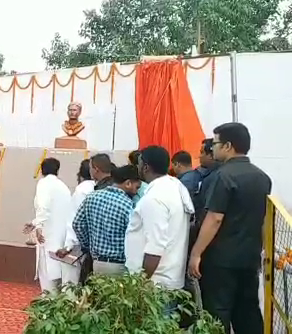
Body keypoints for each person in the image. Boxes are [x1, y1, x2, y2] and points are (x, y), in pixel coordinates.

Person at [188, 123, 271, 334]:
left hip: (220, 261)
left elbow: (215, 218)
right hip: (249, 259)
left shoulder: (222, 176)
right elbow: (263, 219)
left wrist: (196, 253)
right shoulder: (262, 177)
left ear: (227, 146)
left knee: (217, 314)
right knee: (248, 313)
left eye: (215, 143)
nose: (212, 148)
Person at [125, 146, 194, 292]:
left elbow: (155, 247)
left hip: (155, 284)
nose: (137, 167)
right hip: (169, 277)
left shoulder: (155, 198)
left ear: (145, 167)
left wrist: (140, 285)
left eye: (138, 163)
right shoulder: (175, 186)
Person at [73, 165, 140, 276]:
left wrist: (88, 246)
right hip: (119, 265)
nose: (136, 192)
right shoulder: (127, 204)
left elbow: (77, 224)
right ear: (128, 183)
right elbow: (133, 235)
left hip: (97, 263)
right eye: (137, 187)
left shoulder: (91, 197)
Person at [23, 158, 74, 293]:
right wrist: (35, 223)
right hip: (62, 238)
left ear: (42, 170)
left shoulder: (44, 184)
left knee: (47, 277)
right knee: (58, 276)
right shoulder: (63, 187)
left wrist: (38, 226)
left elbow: (43, 207)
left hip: (48, 236)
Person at [55, 159, 95, 284]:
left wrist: (68, 247)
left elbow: (76, 221)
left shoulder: (82, 190)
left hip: (77, 247)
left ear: (81, 175)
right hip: (94, 248)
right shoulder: (101, 187)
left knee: (70, 285)